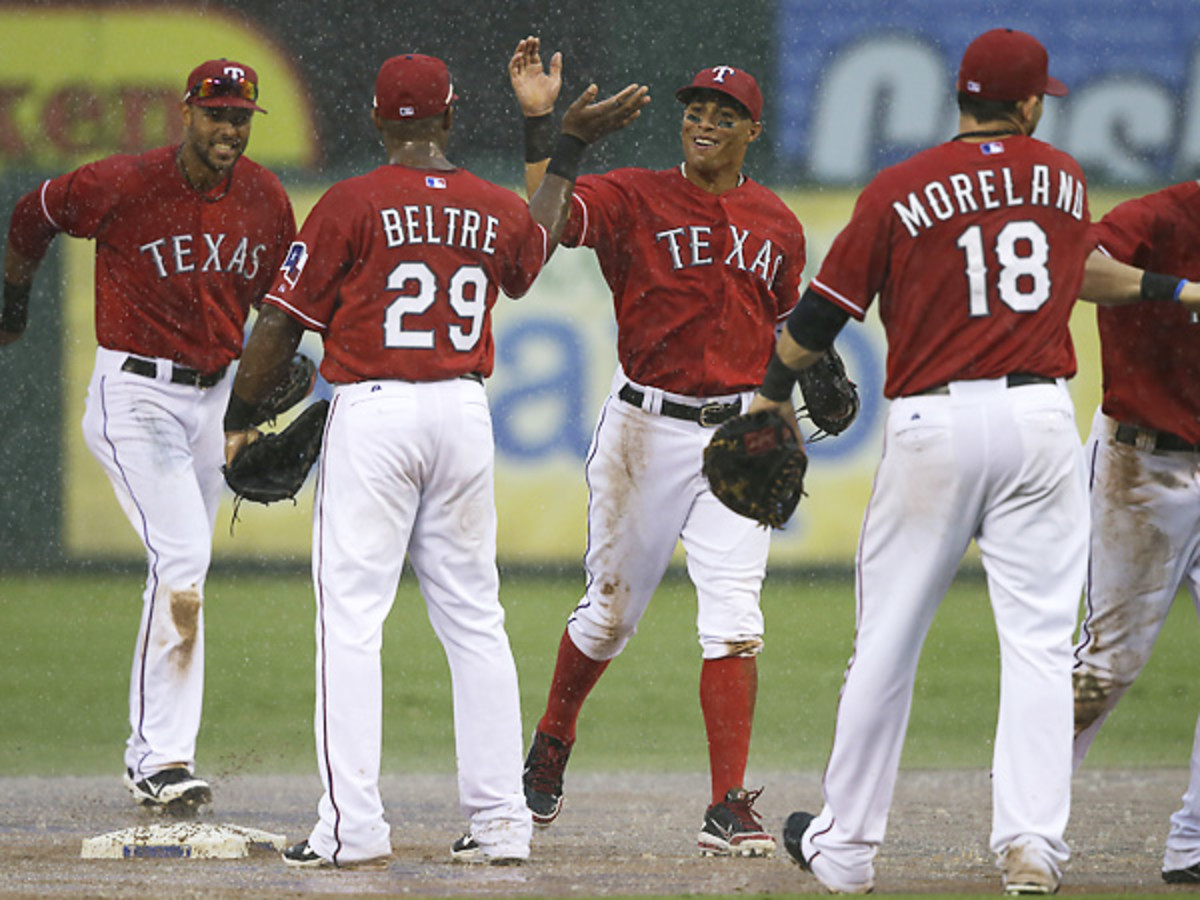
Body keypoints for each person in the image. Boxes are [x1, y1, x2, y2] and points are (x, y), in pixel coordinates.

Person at [221, 53, 646, 869]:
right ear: (450, 120)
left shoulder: (351, 201)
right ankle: (500, 824)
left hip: (375, 412)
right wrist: (565, 149)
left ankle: (352, 828)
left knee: (351, 623)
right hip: (460, 412)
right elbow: (534, 253)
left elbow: (278, 327)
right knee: (475, 620)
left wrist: (240, 421)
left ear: (380, 123)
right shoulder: (488, 206)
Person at [753, 28, 1094, 894]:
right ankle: (1029, 844)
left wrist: (766, 396)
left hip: (936, 423)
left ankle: (846, 848)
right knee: (1041, 647)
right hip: (1041, 417)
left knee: (887, 643)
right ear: (1024, 105)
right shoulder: (1063, 178)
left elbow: (823, 318)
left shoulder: (901, 188)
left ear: (960, 97)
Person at [508, 38, 806, 857]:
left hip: (737, 439)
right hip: (644, 427)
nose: (704, 121)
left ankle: (726, 804)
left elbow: (785, 316)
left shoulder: (777, 221)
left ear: (753, 129)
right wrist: (557, 136)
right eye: (695, 110)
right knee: (608, 617)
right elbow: (543, 225)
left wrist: (819, 369)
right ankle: (554, 736)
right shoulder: (633, 195)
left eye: (725, 113)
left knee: (735, 620)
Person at [1, 59, 295, 811]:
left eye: (240, 117)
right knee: (184, 556)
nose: (228, 129)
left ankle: (162, 755)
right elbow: (31, 212)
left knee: (180, 571)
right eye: (215, 113)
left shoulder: (265, 200)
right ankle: (156, 760)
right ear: (187, 112)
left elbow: (273, 314)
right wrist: (13, 297)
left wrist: (248, 412)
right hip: (134, 393)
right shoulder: (122, 182)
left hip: (214, 393)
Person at [1069, 184, 1200, 884]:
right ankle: (1027, 817)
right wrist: (1182, 289)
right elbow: (1076, 266)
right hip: (1144, 463)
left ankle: (1196, 844)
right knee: (1108, 667)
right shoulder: (1163, 215)